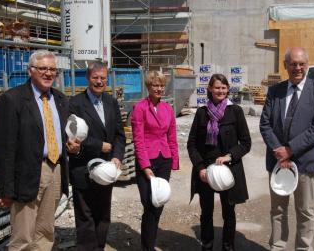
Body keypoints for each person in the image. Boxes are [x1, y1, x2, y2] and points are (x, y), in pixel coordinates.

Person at [0, 50, 70, 250]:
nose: (48, 73)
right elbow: (4, 149)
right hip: (26, 174)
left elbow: (65, 137)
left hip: (55, 170)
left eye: (52, 69)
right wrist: (6, 190)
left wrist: (73, 147)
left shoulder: (61, 100)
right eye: (43, 68)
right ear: (30, 71)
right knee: (23, 238)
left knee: (45, 233)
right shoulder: (12, 99)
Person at [260, 47, 314, 251]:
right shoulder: (275, 91)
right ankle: (277, 247)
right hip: (277, 161)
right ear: (285, 66)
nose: (297, 68)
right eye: (293, 63)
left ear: (307, 65)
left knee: (305, 210)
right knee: (278, 210)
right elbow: (265, 124)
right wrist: (279, 151)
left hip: (304, 162)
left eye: (301, 64)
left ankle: (303, 248)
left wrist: (290, 150)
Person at [187, 73, 251, 251]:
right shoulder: (201, 113)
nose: (220, 91)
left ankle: (227, 246)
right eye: (216, 87)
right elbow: (191, 144)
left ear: (228, 89)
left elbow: (246, 143)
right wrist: (200, 168)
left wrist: (229, 156)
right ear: (210, 89)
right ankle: (207, 245)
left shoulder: (235, 111)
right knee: (206, 212)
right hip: (206, 171)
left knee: (228, 213)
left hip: (229, 170)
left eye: (223, 87)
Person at [67, 61, 126, 251]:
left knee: (103, 215)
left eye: (102, 78)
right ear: (87, 78)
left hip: (106, 169)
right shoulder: (75, 104)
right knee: (85, 217)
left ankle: (99, 247)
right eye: (95, 78)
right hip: (82, 168)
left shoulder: (111, 102)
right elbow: (73, 136)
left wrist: (117, 156)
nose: (99, 82)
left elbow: (119, 134)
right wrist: (100, 145)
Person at [131, 71, 179, 251]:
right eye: (155, 85)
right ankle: (147, 247)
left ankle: (149, 243)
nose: (158, 89)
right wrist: (145, 166)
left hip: (164, 159)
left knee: (159, 203)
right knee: (149, 204)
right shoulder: (140, 108)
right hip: (147, 161)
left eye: (161, 85)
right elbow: (138, 139)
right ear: (148, 87)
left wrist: (174, 160)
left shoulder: (168, 109)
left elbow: (172, 136)